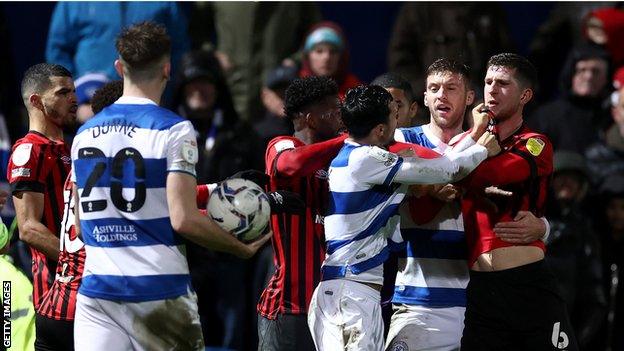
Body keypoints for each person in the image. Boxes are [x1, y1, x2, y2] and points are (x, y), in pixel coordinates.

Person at [70, 22, 268, 350]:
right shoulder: (174, 130)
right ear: (167, 68)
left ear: (120, 68)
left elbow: (80, 222)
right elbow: (183, 219)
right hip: (159, 292)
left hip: (97, 294)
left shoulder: (84, 134)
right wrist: (239, 248)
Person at [308, 84, 499, 350]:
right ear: (381, 130)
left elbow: (439, 163)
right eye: (393, 115)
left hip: (353, 292)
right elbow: (448, 168)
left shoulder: (356, 158)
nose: (398, 120)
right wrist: (482, 148)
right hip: (349, 295)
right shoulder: (366, 160)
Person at [386, 58, 549, 351]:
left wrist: (544, 226)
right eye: (433, 88)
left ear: (469, 97)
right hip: (420, 301)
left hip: (477, 296)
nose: (441, 95)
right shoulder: (404, 139)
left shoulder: (497, 148)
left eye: (451, 87)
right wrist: (473, 145)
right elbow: (421, 212)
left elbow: (527, 201)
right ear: (424, 97)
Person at [459, 53, 578, 351]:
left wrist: (471, 153)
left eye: (503, 83)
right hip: (482, 291)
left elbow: (482, 174)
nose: (492, 90)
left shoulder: (535, 143)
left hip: (527, 285)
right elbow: (450, 172)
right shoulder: (469, 142)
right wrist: (474, 136)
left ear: (525, 94)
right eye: (488, 82)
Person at [257, 76, 347, 351]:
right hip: (288, 307)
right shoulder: (282, 145)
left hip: (333, 310)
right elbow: (290, 165)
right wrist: (348, 139)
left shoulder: (342, 159)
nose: (341, 115)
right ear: (311, 119)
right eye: (333, 109)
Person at [6, 63, 76, 350]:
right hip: (55, 295)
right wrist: (81, 263)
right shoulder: (30, 150)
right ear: (36, 101)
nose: (73, 98)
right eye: (62, 92)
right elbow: (30, 229)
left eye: (73, 91)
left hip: (84, 292)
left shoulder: (71, 147)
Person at [188, 2, 321, 122]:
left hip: (277, 93)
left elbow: (315, 34)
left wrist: (293, 62)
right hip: (230, 89)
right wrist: (214, 56)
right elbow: (196, 32)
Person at [543, 151, 607, 349]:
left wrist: (575, 341)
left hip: (569, 328)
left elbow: (595, 297)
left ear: (581, 187)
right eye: (561, 177)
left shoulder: (586, 232)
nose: (566, 183)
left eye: (573, 179)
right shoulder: (533, 222)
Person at [528, 42, 612, 155]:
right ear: (571, 74)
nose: (589, 77)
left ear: (606, 79)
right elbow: (529, 156)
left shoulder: (613, 116)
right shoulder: (547, 117)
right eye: (582, 70)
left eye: (596, 71)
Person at [299, 21, 362, 99]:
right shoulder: (292, 90)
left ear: (342, 56)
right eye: (319, 51)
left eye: (333, 51)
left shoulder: (357, 93)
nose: (327, 57)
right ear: (307, 55)